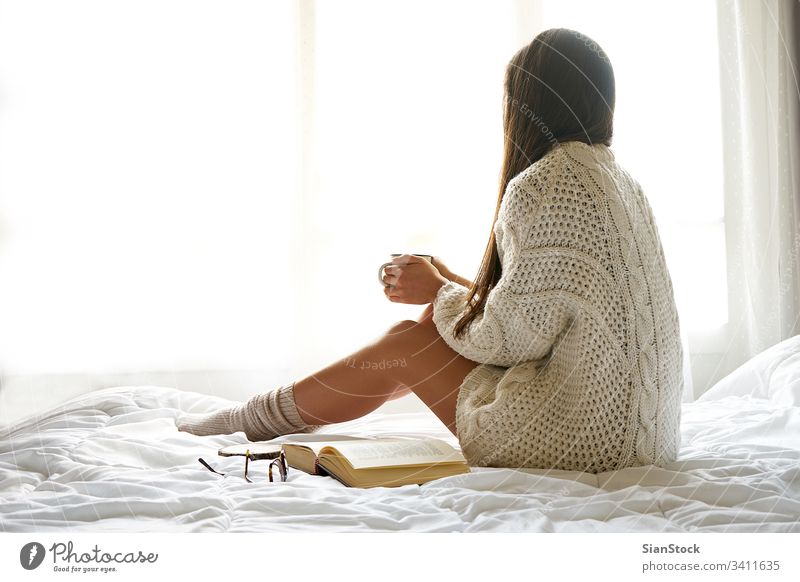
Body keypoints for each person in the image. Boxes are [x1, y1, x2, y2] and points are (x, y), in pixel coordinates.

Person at [177, 28, 683, 473]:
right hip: (646, 440)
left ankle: (246, 421)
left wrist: (438, 290)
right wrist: (456, 287)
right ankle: (257, 416)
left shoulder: (544, 185)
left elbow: (508, 342)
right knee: (417, 333)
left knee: (406, 345)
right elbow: (547, 314)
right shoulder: (621, 183)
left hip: (583, 440)